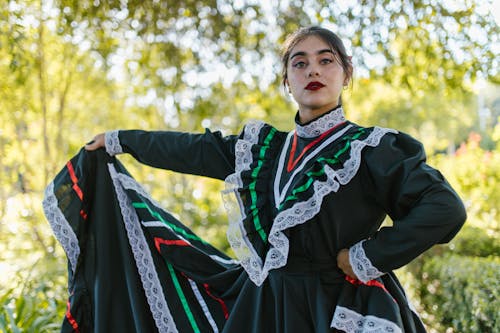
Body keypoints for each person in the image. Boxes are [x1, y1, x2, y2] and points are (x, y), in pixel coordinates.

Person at [44, 26, 466, 333]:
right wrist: (120, 140)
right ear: (287, 81)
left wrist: (366, 255)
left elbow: (445, 209)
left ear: (345, 73)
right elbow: (193, 149)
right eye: (298, 63)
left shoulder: (372, 149)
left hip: (337, 304)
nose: (312, 70)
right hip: (266, 305)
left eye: (325, 60)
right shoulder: (264, 150)